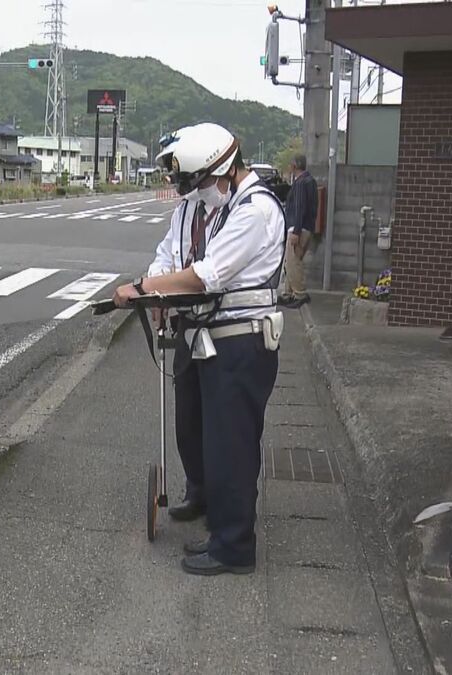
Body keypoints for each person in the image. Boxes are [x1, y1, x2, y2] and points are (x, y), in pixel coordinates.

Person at [111, 123, 286, 576]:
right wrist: (156, 293)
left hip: (241, 339)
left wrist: (142, 288)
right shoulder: (195, 206)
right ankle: (206, 500)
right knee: (196, 428)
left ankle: (234, 546)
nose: (194, 191)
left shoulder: (256, 211)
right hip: (202, 334)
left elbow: (207, 276)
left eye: (200, 182)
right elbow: (170, 255)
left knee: (232, 442)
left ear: (224, 169)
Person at [280, 154, 317, 308]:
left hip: (298, 228)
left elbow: (300, 207)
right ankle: (288, 293)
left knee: (293, 262)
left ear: (294, 166)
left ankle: (300, 293)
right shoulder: (311, 181)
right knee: (292, 261)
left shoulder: (301, 183)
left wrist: (296, 231)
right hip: (306, 227)